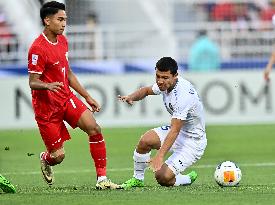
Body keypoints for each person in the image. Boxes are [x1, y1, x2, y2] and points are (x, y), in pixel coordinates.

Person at [27, 1, 120, 189]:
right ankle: (46, 158)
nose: (63, 23)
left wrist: (87, 96)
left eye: (65, 20)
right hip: (47, 109)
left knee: (94, 128)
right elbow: (32, 81)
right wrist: (48, 85)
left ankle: (102, 179)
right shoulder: (37, 48)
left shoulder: (63, 41)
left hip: (66, 97)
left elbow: (68, 74)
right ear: (47, 20)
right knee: (58, 156)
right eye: (60, 19)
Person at [118, 57, 207, 188]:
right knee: (145, 141)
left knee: (162, 177)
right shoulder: (165, 84)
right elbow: (146, 91)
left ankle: (186, 178)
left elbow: (175, 129)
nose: (160, 81)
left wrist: (159, 156)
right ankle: (137, 179)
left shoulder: (183, 96)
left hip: (193, 142)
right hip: (179, 132)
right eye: (158, 76)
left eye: (165, 77)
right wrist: (132, 97)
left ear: (175, 76)